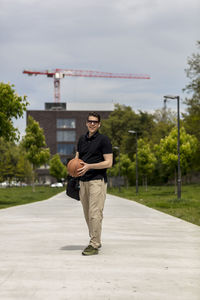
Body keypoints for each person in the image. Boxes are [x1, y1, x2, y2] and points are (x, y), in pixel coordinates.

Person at [76, 112, 113, 256]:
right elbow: (77, 159)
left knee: (94, 213)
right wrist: (74, 172)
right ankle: (95, 238)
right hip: (83, 181)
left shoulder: (104, 140)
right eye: (90, 121)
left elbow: (109, 163)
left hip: (97, 180)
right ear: (86, 123)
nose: (92, 124)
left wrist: (89, 166)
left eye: (95, 122)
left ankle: (94, 244)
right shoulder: (81, 139)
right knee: (87, 214)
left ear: (99, 124)